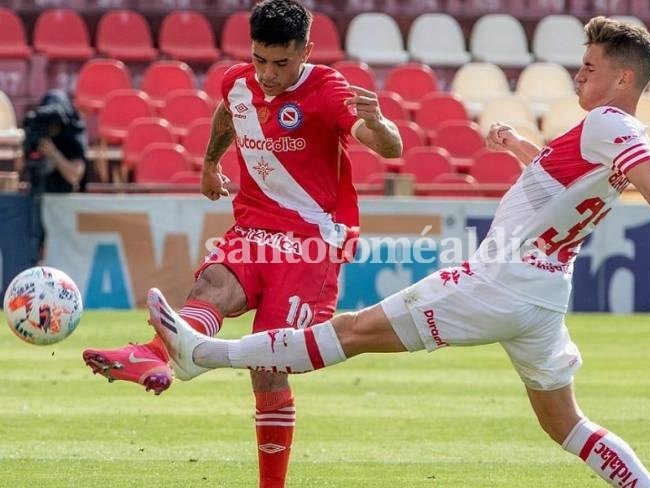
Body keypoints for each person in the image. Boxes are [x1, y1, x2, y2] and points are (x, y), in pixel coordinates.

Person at [145, 16, 650, 487]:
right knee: (565, 424)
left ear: (623, 79)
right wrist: (518, 147)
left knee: (352, 332)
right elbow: (559, 182)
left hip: (499, 280)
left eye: (589, 67)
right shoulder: (600, 136)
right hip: (543, 295)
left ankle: (205, 354)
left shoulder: (613, 124)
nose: (578, 76)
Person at [82, 1, 402, 487]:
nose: (268, 74)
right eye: (259, 60)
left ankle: (267, 480)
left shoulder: (327, 88)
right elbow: (228, 110)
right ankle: (156, 351)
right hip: (253, 229)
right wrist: (211, 163)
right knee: (211, 283)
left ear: (306, 51)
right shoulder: (238, 81)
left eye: (281, 63)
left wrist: (378, 125)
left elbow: (388, 146)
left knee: (268, 368)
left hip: (312, 241)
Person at [18, 89, 89, 262]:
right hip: (38, 197)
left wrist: (54, 154)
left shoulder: (72, 133)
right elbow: (23, 168)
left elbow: (75, 175)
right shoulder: (37, 130)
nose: (52, 126)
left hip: (64, 202)